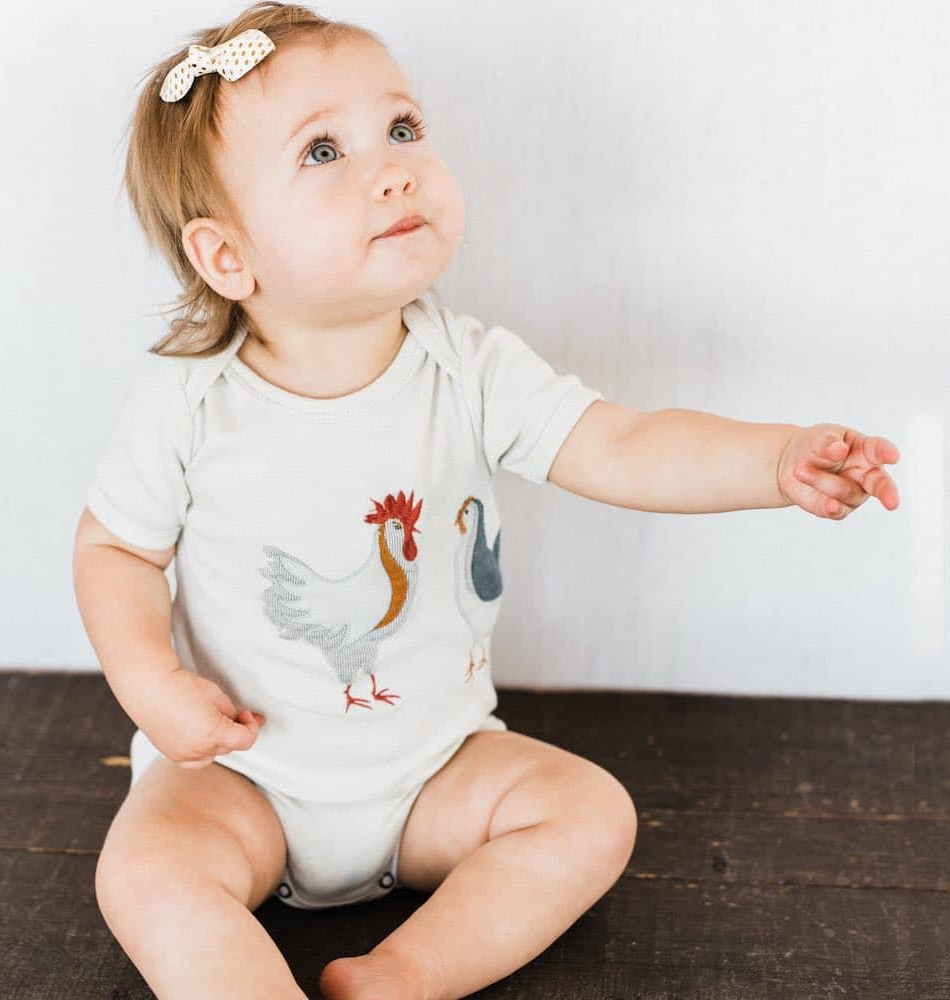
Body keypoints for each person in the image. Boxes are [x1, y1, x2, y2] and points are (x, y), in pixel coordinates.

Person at [72, 5, 901, 999]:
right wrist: (150, 683)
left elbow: (623, 444)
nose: (394, 170)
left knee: (591, 814)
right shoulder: (189, 403)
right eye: (324, 151)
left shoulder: (467, 368)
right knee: (147, 874)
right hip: (240, 783)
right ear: (226, 257)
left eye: (403, 129)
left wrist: (774, 463)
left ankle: (402, 975)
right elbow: (116, 550)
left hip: (434, 772)